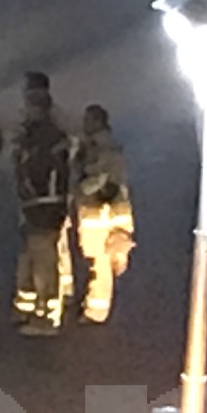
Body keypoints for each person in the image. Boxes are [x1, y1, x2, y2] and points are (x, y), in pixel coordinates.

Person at [10, 74, 76, 333]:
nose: (25, 109)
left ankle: (46, 316)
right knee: (31, 258)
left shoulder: (46, 138)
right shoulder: (36, 135)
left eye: (29, 105)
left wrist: (31, 189)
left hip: (44, 206)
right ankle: (28, 308)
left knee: (44, 261)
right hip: (35, 205)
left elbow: (42, 170)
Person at [71, 105, 135, 323]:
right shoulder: (95, 146)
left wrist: (82, 187)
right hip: (99, 213)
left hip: (104, 215)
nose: (85, 124)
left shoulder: (103, 150)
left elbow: (103, 181)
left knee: (101, 263)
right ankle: (91, 304)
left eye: (89, 120)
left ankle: (96, 311)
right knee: (97, 262)